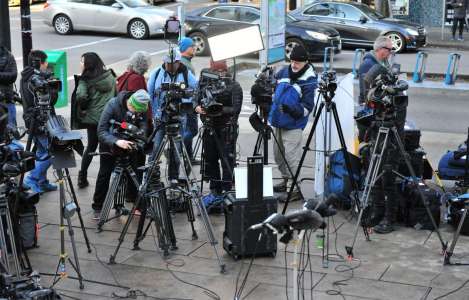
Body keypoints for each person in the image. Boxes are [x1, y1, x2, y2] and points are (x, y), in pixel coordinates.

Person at [268, 45, 317, 202]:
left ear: (306, 62)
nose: (294, 65)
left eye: (298, 62)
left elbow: (307, 108)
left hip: (294, 124)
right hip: (278, 120)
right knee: (278, 155)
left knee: (291, 157)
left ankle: (294, 189)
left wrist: (292, 110)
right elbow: (274, 88)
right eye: (293, 61)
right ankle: (286, 179)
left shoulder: (310, 80)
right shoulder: (284, 71)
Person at [91, 89, 150, 218]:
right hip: (110, 145)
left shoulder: (141, 107)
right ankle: (98, 206)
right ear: (131, 105)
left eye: (141, 112)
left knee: (134, 173)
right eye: (137, 112)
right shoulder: (112, 105)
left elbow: (144, 125)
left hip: (129, 144)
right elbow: (101, 131)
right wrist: (116, 141)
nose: (139, 114)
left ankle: (137, 204)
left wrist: (140, 134)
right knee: (104, 174)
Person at [194, 60, 243, 209]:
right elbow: (194, 100)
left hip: (226, 129)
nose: (219, 75)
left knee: (227, 160)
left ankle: (227, 191)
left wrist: (217, 109)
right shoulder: (204, 82)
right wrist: (197, 107)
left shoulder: (234, 85)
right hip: (209, 127)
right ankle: (215, 190)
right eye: (216, 71)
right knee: (210, 158)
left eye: (221, 71)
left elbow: (235, 109)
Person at [147, 48, 197, 181]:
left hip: (179, 118)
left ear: (179, 62)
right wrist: (154, 113)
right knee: (156, 147)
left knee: (176, 150)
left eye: (173, 63)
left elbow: (196, 89)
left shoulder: (186, 73)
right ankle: (150, 176)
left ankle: (173, 178)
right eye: (168, 63)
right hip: (161, 118)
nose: (171, 66)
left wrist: (185, 100)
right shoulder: (157, 73)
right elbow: (149, 94)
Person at [75, 52, 116, 188]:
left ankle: (83, 176)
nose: (80, 64)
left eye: (82, 62)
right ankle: (108, 179)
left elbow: (80, 96)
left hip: (93, 120)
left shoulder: (84, 80)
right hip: (109, 118)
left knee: (91, 147)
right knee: (107, 149)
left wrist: (84, 106)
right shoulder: (110, 76)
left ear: (88, 64)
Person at [20, 50, 58, 194]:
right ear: (41, 63)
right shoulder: (36, 80)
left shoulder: (27, 75)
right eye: (45, 62)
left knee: (42, 152)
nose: (47, 65)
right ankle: (32, 179)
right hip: (41, 121)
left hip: (31, 120)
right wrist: (52, 88)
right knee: (53, 153)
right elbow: (49, 100)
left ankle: (42, 182)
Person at [179, 37, 199, 165]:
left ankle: (187, 155)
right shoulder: (185, 65)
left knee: (188, 130)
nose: (195, 48)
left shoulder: (184, 62)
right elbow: (191, 85)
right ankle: (184, 154)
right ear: (186, 49)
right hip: (188, 102)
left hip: (185, 102)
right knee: (191, 130)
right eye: (193, 46)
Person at [358, 36, 393, 104]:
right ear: (380, 49)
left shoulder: (384, 62)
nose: (390, 52)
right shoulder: (368, 64)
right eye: (389, 49)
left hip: (382, 101)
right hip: (371, 104)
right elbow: (365, 91)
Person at [0, 46, 18, 127]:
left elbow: (13, 75)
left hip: (7, 99)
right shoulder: (9, 56)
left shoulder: (8, 55)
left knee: (11, 130)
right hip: (8, 98)